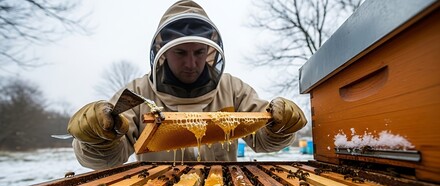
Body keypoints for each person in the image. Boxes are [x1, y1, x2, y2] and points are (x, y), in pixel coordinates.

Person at [67, 0, 307, 170]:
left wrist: (281, 126)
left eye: (199, 52)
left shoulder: (232, 89)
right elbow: (107, 160)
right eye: (180, 52)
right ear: (162, 52)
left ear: (210, 51)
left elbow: (263, 141)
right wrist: (97, 138)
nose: (191, 63)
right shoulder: (137, 93)